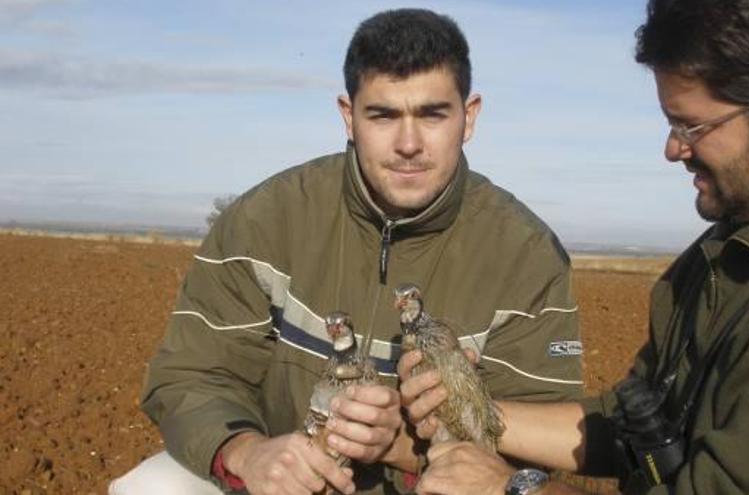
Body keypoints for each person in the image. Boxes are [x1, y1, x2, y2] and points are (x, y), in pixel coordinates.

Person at [402, 0, 749, 494]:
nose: (673, 149)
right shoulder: (733, 249)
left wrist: (510, 488)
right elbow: (635, 418)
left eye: (692, 126)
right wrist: (474, 409)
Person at [109, 8, 584, 495]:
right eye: (383, 115)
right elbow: (192, 374)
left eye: (432, 114)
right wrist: (248, 453)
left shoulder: (527, 256)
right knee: (151, 487)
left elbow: (534, 450)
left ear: (470, 116)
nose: (408, 143)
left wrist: (404, 447)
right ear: (348, 116)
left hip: (430, 486)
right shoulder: (266, 219)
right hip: (287, 481)